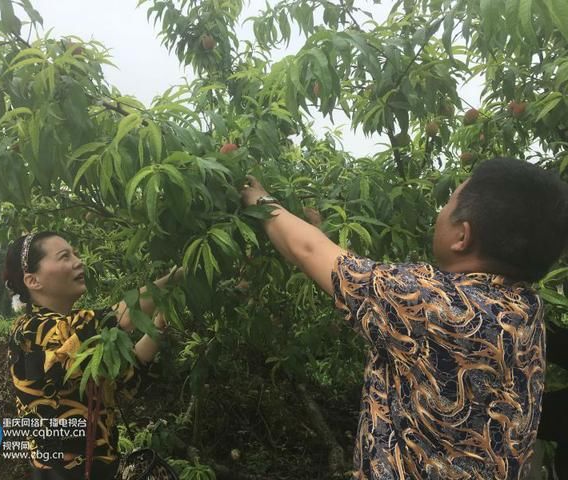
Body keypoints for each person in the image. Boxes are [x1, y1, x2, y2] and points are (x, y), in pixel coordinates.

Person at [241, 157, 568, 479]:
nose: (441, 214)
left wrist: (259, 199)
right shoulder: (526, 310)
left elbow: (309, 251)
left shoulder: (428, 303)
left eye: (449, 204)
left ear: (461, 237)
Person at [3, 231, 181, 480]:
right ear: (33, 280)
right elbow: (115, 318)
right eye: (65, 256)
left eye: (75, 253)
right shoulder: (30, 331)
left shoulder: (76, 338)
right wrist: (179, 277)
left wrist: (157, 326)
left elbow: (129, 379)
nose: (78, 261)